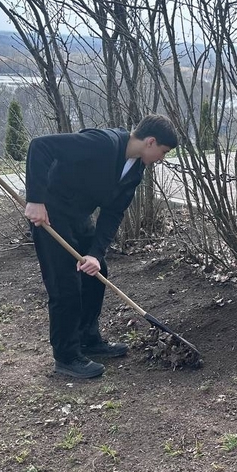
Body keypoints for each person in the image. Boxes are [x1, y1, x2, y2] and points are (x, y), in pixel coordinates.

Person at [24, 114, 179, 378]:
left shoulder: (134, 170)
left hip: (79, 216)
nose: (161, 159)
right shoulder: (101, 143)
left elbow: (113, 213)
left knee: (97, 273)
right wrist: (36, 200)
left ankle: (88, 339)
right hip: (50, 214)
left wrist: (95, 253)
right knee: (65, 285)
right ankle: (67, 357)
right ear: (150, 142)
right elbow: (41, 146)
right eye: (162, 152)